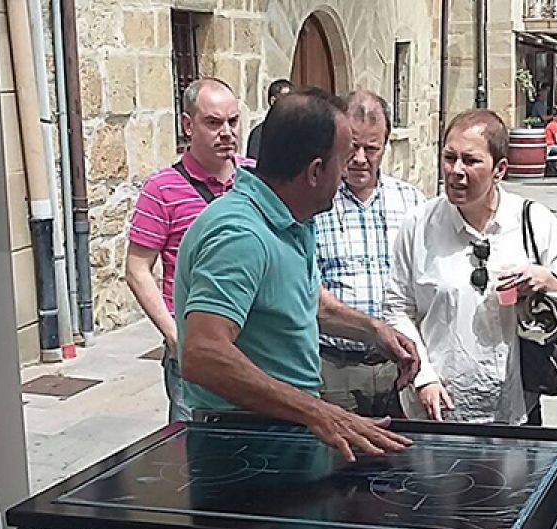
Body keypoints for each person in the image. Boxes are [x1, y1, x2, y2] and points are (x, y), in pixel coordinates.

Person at [174, 88, 419, 461]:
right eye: (342, 160)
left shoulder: (291, 217)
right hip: (242, 446)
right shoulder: (240, 234)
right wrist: (317, 412)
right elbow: (203, 353)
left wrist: (373, 329)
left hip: (281, 434)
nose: (348, 171)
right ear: (316, 171)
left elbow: (304, 302)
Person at [385, 109, 557, 424]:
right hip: (437, 409)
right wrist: (423, 376)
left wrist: (545, 280)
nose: (456, 171)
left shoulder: (534, 222)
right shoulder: (418, 225)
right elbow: (397, 308)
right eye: (449, 158)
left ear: (499, 169)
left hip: (515, 409)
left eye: (471, 160)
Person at [126, 77, 247, 422]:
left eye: (233, 121)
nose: (227, 132)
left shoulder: (256, 179)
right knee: (191, 457)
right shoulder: (161, 189)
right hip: (194, 353)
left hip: (253, 351)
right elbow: (137, 269)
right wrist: (174, 335)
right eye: (213, 122)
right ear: (187, 125)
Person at [311, 91, 426, 418]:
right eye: (352, 146)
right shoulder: (318, 202)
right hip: (334, 367)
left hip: (399, 367)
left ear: (385, 146)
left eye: (371, 148)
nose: (360, 158)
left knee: (405, 463)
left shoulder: (411, 203)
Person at [244, 78, 293, 160]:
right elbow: (253, 165)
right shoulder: (260, 134)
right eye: (286, 98)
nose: (291, 103)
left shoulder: (298, 130)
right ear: (273, 101)